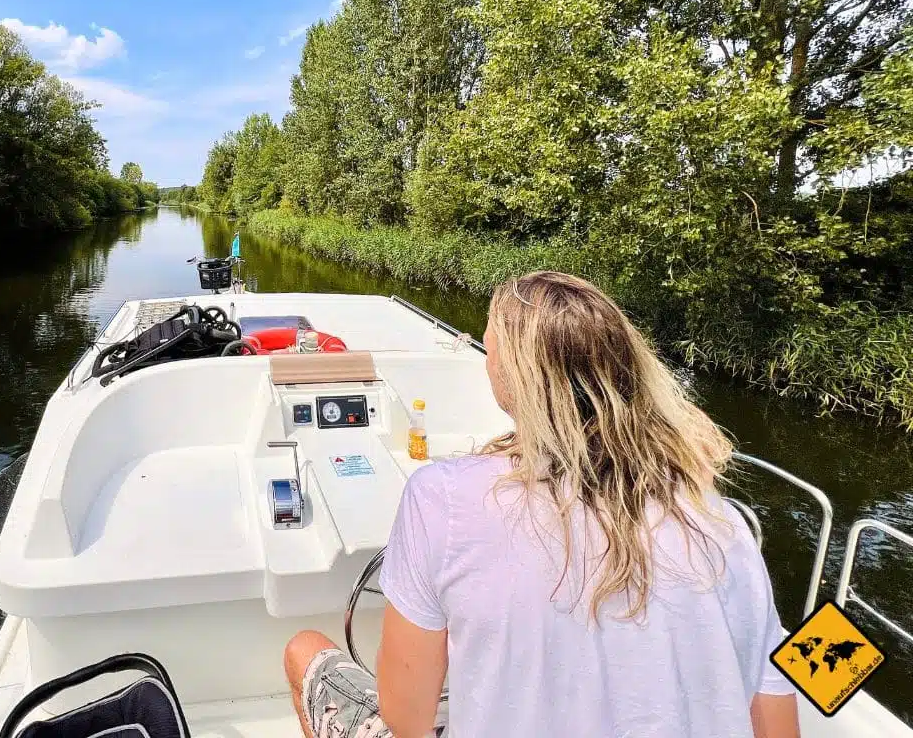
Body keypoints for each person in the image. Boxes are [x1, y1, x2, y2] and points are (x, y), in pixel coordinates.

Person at [285, 271, 800, 738]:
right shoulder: (721, 523)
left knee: (304, 650)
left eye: (488, 346)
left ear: (513, 377)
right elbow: (777, 723)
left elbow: (407, 719)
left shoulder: (441, 497)